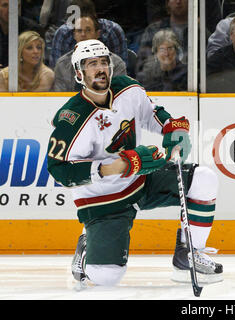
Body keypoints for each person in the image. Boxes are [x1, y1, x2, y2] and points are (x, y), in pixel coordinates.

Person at [46, 39, 222, 287]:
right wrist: (117, 166)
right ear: (78, 73)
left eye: (104, 63)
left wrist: (172, 130)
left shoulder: (128, 88)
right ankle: (87, 248)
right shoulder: (72, 119)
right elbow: (60, 170)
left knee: (204, 178)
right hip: (103, 201)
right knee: (107, 277)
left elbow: (152, 113)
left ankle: (188, 255)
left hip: (141, 177)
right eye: (91, 64)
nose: (100, 69)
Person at [52, 13, 126, 91]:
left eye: (88, 30)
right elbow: (60, 98)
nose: (83, 34)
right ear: (74, 35)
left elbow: (119, 94)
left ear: (97, 34)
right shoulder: (62, 64)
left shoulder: (117, 63)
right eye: (79, 31)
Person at [48, 0, 127, 68]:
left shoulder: (112, 31)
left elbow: (121, 73)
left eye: (88, 29)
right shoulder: (63, 34)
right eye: (79, 29)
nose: (83, 34)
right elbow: (57, 74)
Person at [135, 0, 189, 75]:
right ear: (168, 3)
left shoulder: (199, 31)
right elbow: (142, 66)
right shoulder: (153, 30)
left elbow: (206, 66)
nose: (178, 1)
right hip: (157, 83)